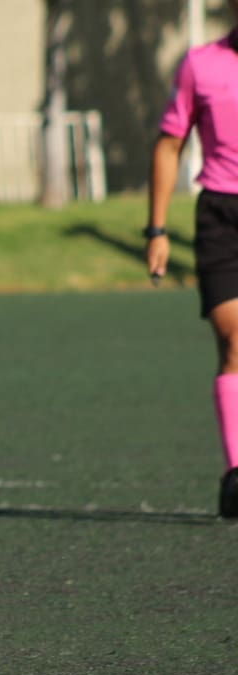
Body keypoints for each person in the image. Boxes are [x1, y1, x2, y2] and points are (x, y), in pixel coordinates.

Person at [146, 1, 238, 517]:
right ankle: (236, 472)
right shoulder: (201, 64)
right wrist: (157, 229)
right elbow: (168, 146)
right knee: (234, 340)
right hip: (221, 216)